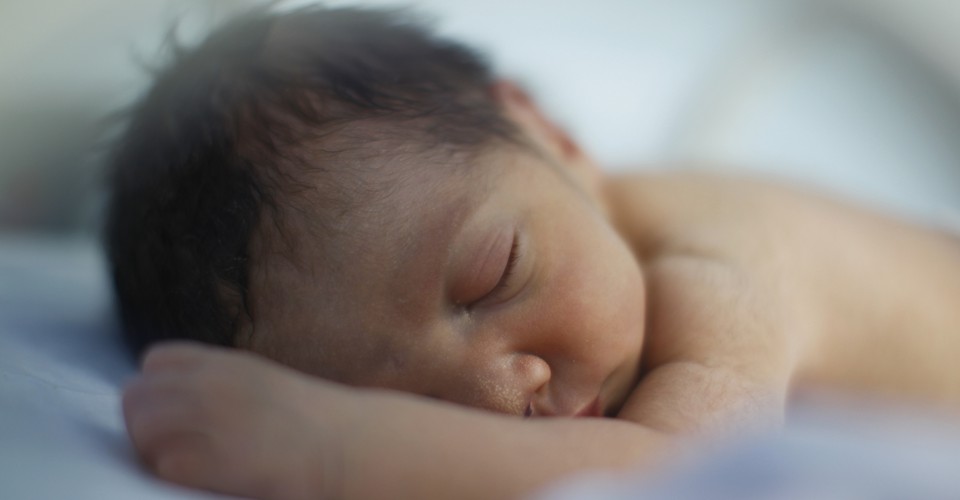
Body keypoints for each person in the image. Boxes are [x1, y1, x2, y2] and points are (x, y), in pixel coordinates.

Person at [108, 5, 960, 500]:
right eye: (423, 406)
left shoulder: (719, 266)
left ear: (544, 131)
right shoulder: (539, 230)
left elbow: (678, 474)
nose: (496, 395)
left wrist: (343, 445)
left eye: (492, 278)